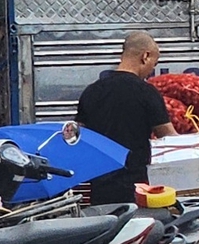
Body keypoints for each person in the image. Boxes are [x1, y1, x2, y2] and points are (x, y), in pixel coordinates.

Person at [74, 30, 173, 204]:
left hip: (99, 190)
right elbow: (169, 137)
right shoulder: (146, 92)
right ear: (145, 56)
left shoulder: (92, 91)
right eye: (154, 64)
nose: (151, 71)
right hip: (136, 190)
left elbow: (78, 137)